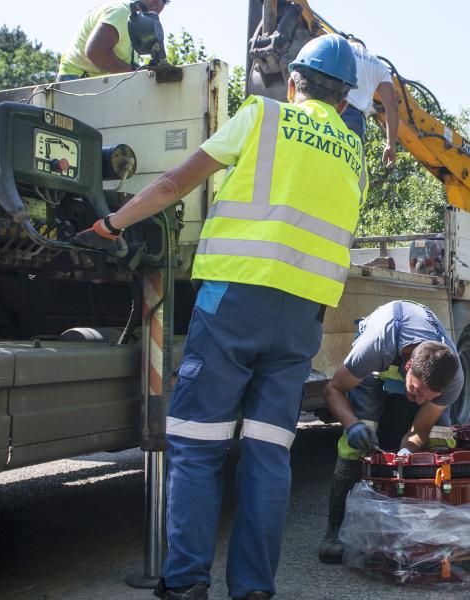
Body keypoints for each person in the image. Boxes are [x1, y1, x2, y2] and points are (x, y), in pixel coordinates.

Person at [73, 34, 364, 600]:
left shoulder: (264, 115)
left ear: (296, 82)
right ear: (346, 101)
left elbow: (173, 183)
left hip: (235, 302)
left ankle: (184, 585)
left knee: (199, 444)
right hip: (301, 315)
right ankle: (254, 589)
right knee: (268, 451)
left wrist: (109, 225)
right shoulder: (354, 153)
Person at [316, 300, 464, 564]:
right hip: (379, 364)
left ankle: (424, 528)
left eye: (428, 398)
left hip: (410, 362)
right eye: (416, 391)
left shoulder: (453, 380)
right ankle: (334, 532)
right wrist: (353, 425)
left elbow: (420, 429)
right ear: (408, 368)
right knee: (356, 442)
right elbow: (332, 390)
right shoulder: (374, 347)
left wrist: (408, 450)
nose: (418, 402)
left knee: (439, 438)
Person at [57, 0, 168, 81]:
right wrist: (135, 73)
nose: (159, 3)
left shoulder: (139, 22)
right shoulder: (122, 13)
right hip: (76, 79)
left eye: (164, 0)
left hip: (100, 84)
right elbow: (96, 52)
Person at [340, 38, 400, 166]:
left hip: (333, 109)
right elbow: (392, 106)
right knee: (346, 167)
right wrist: (390, 144)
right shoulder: (379, 66)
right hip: (356, 122)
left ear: (350, 41)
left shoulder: (342, 47)